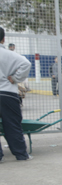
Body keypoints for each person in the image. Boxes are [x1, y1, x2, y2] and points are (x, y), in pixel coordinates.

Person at [0, 27, 32, 162]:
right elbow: (26, 63)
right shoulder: (8, 54)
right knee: (12, 124)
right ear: (3, 39)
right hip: (7, 93)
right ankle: (21, 154)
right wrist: (15, 78)